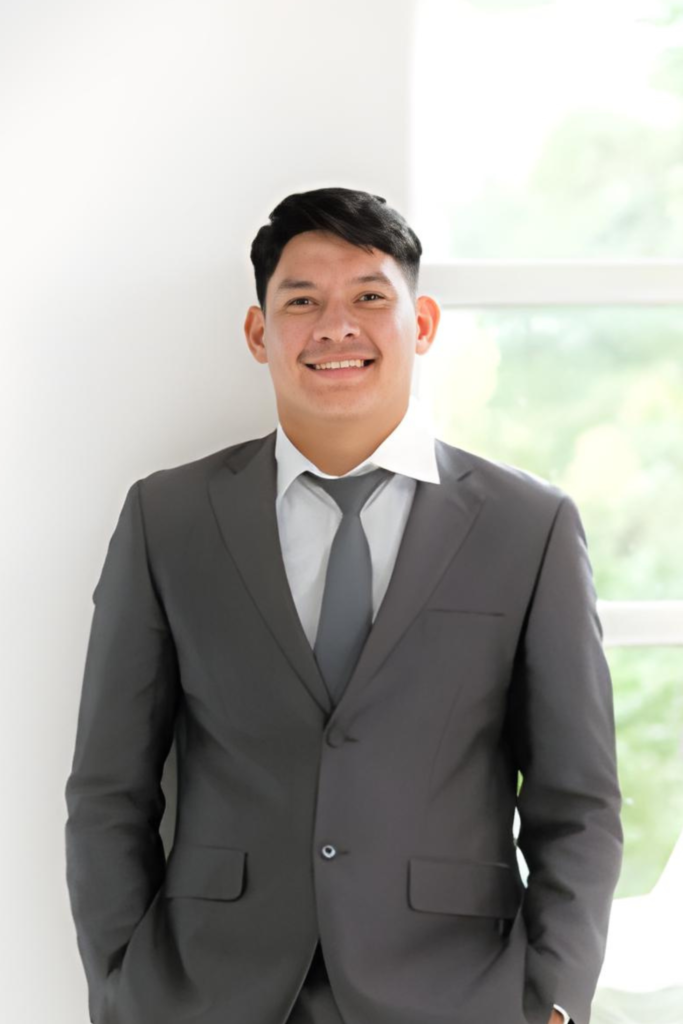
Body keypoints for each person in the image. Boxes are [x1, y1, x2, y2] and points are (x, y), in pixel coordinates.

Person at [64, 186, 623, 1024]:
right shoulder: (169, 517)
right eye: (301, 302)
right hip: (209, 991)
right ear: (259, 333)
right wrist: (120, 989)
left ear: (420, 322)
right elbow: (110, 789)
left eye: (368, 297)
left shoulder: (526, 526)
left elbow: (576, 803)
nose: (335, 327)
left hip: (455, 992)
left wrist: (553, 1002)